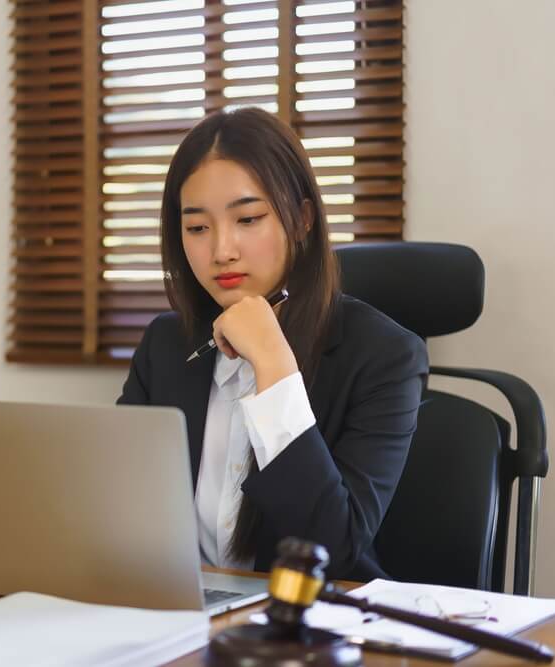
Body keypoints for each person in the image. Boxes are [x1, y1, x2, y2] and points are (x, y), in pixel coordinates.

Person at [117, 107, 428, 580]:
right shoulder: (166, 344)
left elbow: (334, 554)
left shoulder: (385, 357)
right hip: (178, 619)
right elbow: (113, 509)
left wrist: (273, 365)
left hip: (308, 630)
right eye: (197, 228)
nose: (222, 250)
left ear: (301, 219)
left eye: (249, 219)